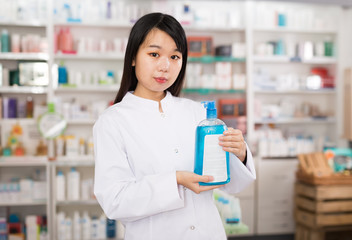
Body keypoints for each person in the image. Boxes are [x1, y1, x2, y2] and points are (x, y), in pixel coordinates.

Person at [93, 12, 256, 240]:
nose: (164, 66)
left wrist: (240, 155)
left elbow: (231, 185)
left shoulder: (198, 113)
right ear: (132, 57)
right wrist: (175, 180)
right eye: (154, 54)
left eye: (175, 57)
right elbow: (115, 201)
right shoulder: (113, 121)